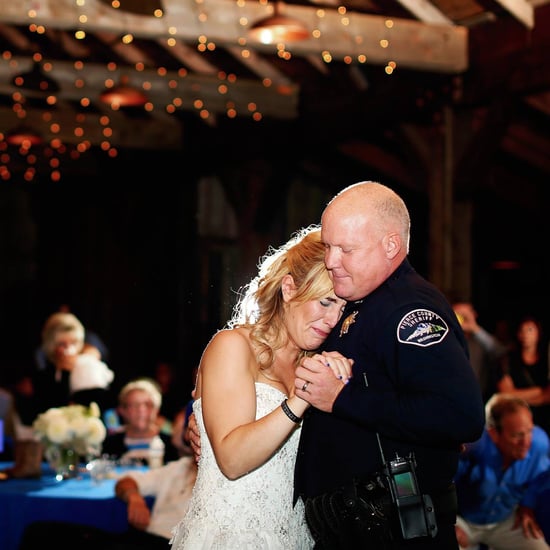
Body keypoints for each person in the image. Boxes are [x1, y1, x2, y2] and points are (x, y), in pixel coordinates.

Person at [291, 181, 486, 549]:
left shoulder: (409, 311)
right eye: (328, 246)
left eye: (346, 249)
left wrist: (343, 398)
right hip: (353, 529)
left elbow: (460, 415)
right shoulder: (359, 297)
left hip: (394, 531)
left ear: (391, 245)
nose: (331, 261)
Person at [170, 226, 350, 549]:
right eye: (325, 302)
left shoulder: (319, 367)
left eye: (341, 308)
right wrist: (298, 401)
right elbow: (232, 460)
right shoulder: (233, 346)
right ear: (289, 288)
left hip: (295, 539)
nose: (332, 319)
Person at [18, 454, 198, 550]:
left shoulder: (223, 475)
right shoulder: (180, 467)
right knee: (41, 532)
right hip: (141, 538)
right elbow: (126, 481)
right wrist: (134, 497)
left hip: (170, 544)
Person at [454, 394, 549, 549]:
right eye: (517, 435)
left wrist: (527, 506)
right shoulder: (475, 449)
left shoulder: (539, 443)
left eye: (529, 431)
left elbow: (539, 478)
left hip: (505, 521)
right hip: (465, 521)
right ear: (494, 434)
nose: (526, 442)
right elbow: (443, 485)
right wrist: (449, 523)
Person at [32, 311, 105, 413]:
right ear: (52, 346)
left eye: (73, 342)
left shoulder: (88, 370)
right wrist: (65, 373)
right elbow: (53, 409)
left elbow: (96, 407)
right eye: (62, 344)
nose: (69, 349)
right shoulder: (44, 376)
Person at [101, 378, 179, 465]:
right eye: (134, 405)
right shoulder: (110, 445)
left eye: (148, 404)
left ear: (157, 410)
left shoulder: (171, 444)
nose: (141, 409)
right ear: (122, 410)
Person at [496, 316, 550, 436]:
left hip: (544, 419)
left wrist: (517, 394)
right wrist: (540, 391)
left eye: (530, 330)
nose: (525, 334)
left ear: (538, 333)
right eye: (522, 330)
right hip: (516, 418)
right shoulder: (508, 360)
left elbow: (548, 396)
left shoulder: (546, 360)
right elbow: (506, 394)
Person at [452, 301, 508, 402]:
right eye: (457, 314)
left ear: (474, 315)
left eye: (465, 314)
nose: (462, 318)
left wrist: (474, 328)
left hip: (479, 398)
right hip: (452, 396)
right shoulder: (448, 339)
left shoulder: (480, 341)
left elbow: (500, 352)